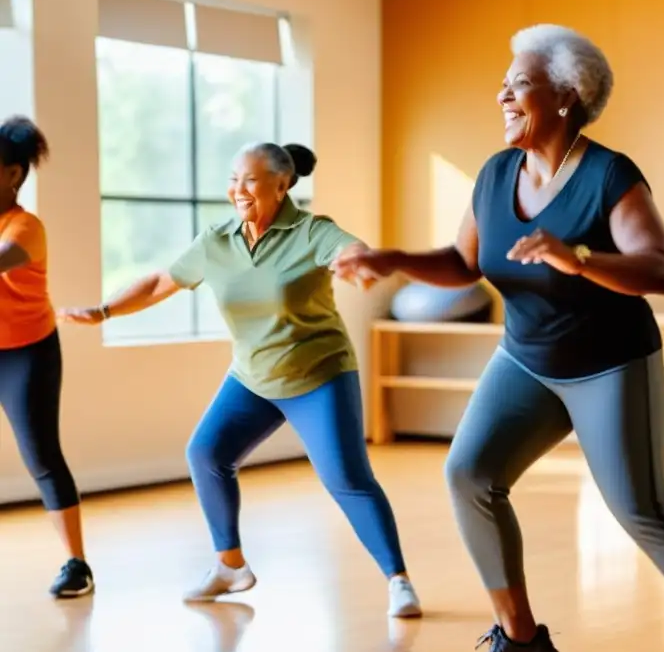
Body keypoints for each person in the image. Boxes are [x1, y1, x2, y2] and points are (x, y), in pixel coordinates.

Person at [334, 23, 664, 652]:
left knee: (641, 508)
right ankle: (519, 638)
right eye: (504, 82)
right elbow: (462, 262)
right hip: (527, 359)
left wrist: (580, 258)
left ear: (566, 97)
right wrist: (390, 259)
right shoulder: (495, 173)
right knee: (471, 473)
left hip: (611, 362)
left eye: (519, 82)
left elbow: (660, 271)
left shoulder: (608, 176)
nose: (503, 93)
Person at [60, 142, 422, 618]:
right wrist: (104, 310)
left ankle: (398, 580)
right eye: (234, 178)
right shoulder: (218, 240)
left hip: (319, 374)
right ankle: (229, 565)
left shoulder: (312, 231)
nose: (238, 189)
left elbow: (350, 249)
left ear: (282, 183)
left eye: (250, 180)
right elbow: (158, 282)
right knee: (207, 452)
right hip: (253, 375)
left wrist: (358, 261)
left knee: (347, 478)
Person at [0, 116, 95, 599]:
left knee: (41, 457)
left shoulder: (25, 227)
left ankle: (76, 563)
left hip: (25, 353)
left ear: (13, 174)